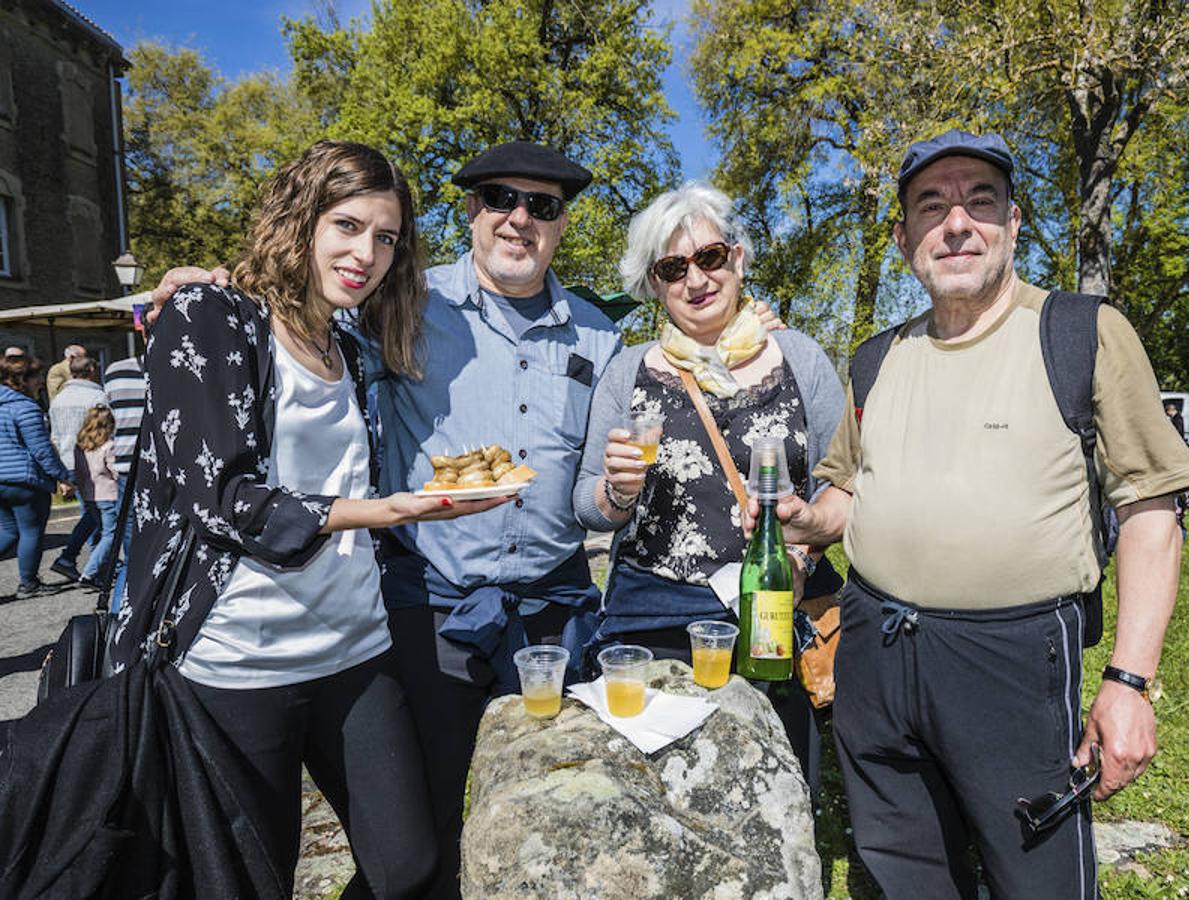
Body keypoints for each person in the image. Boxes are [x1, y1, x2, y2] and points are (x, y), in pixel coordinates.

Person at [149, 141, 784, 896]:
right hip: (432, 608)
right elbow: (296, 317)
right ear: (472, 212)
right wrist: (213, 290)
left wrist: (747, 342)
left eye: (542, 207)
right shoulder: (402, 297)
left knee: (560, 805)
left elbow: (603, 483)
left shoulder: (595, 334)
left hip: (556, 612)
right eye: (500, 201)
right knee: (424, 833)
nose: (519, 219)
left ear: (560, 225)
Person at [746, 129, 1189, 897]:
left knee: (1037, 880)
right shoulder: (877, 356)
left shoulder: (1081, 333)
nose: (956, 222)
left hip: (1014, 660)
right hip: (874, 649)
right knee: (901, 873)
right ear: (903, 239)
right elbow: (846, 493)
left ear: (1014, 223)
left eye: (978, 201)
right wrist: (800, 517)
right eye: (932, 205)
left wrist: (1129, 682)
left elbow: (1151, 508)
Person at [108, 139, 508, 899]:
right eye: (348, 226)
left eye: (386, 238)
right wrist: (384, 511)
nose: (367, 253)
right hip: (236, 661)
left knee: (409, 864)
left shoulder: (349, 346)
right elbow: (220, 496)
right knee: (249, 882)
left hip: (355, 648)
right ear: (301, 219)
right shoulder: (211, 315)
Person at [574, 182, 845, 796]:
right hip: (653, 610)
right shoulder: (629, 371)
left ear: (738, 258)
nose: (695, 278)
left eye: (710, 257)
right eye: (673, 267)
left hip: (773, 601)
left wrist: (799, 557)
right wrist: (617, 493)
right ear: (654, 283)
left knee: (777, 780)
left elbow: (845, 482)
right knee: (654, 791)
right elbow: (584, 505)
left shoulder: (798, 357)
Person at [0, 355, 74, 596]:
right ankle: (28, 583)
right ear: (23, 380)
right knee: (31, 531)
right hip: (24, 480)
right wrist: (63, 476)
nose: (42, 381)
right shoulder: (26, 408)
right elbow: (41, 450)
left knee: (8, 532)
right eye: (37, 377)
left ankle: (28, 582)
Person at [48, 354, 108, 581]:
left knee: (91, 513)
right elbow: (105, 431)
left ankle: (78, 558)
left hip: (67, 460)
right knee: (102, 515)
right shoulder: (98, 396)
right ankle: (85, 562)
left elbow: (54, 436)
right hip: (93, 462)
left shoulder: (58, 399)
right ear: (92, 369)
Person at [102, 350, 146, 610]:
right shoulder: (179, 362)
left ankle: (120, 617)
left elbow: (109, 417)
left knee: (132, 555)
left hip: (127, 470)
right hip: (165, 472)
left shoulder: (115, 371)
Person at [70, 405, 118, 589]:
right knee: (110, 534)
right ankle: (89, 572)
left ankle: (102, 571)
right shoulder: (108, 446)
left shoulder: (80, 446)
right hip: (108, 494)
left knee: (101, 532)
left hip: (88, 495)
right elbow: (114, 472)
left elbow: (79, 472)